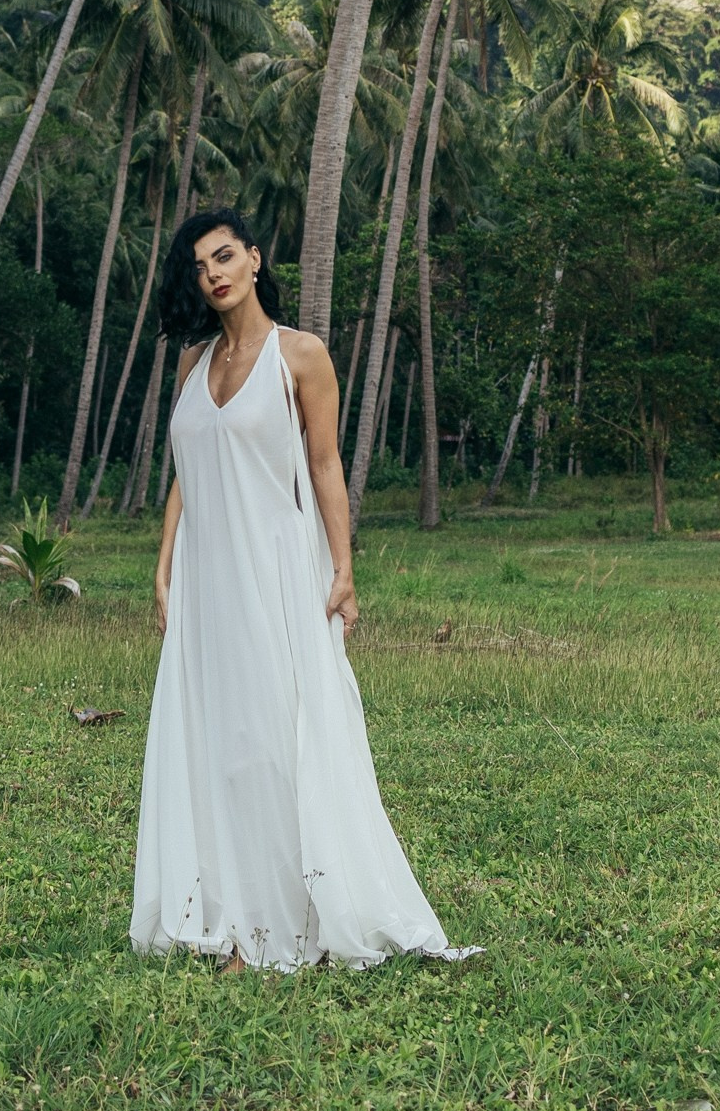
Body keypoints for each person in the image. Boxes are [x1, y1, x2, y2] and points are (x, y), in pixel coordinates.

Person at [130, 207, 469, 971]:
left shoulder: (302, 355)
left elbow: (324, 467)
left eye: (223, 257)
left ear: (254, 259)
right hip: (207, 575)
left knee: (275, 741)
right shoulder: (193, 363)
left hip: (279, 565)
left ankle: (290, 920)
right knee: (214, 740)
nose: (212, 274)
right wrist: (163, 564)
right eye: (199, 266)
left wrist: (344, 570)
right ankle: (228, 912)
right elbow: (189, 473)